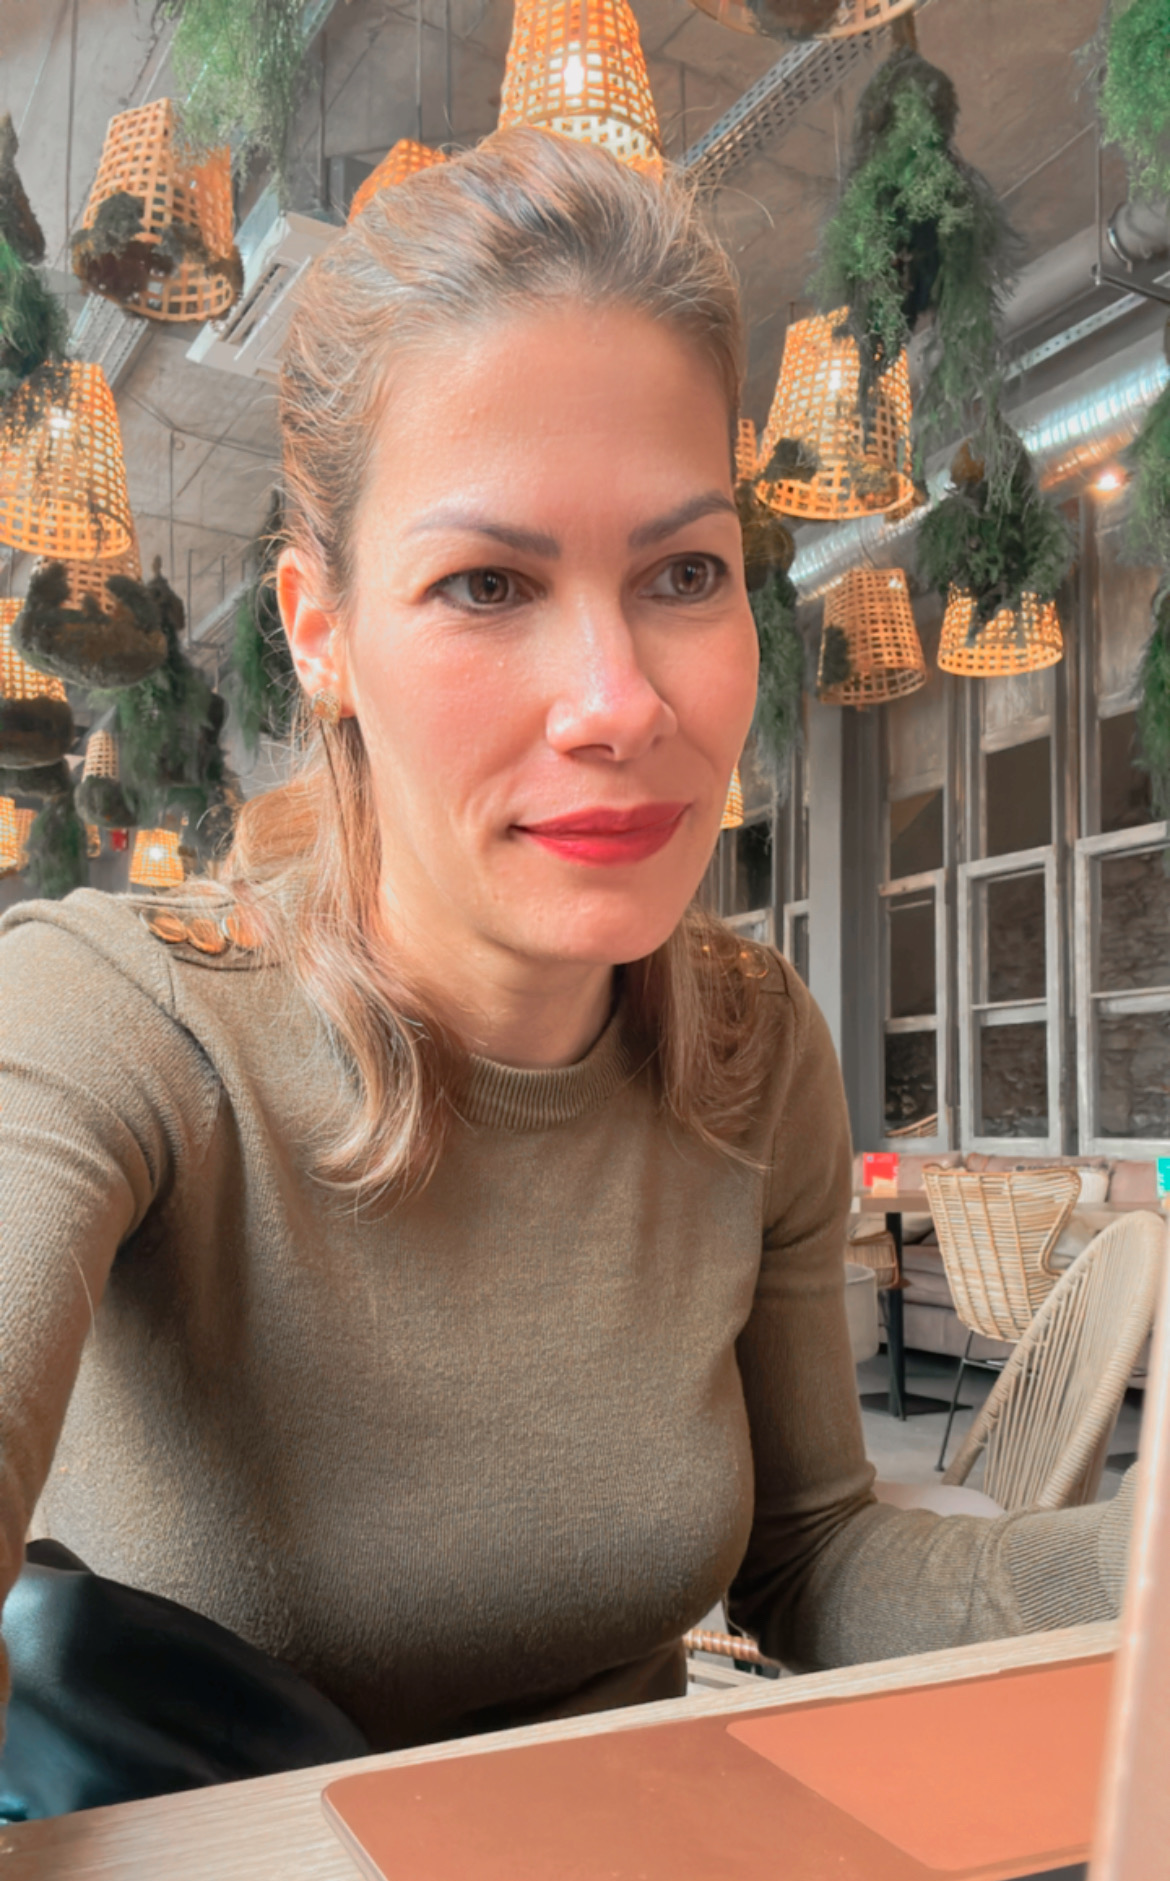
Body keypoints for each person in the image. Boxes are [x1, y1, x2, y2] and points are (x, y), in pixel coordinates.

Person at [0, 128, 1133, 1774]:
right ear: (319, 633)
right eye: (485, 584)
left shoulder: (751, 1045)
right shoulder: (114, 1020)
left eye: (683, 573)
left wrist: (1138, 1564)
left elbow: (816, 1559)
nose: (618, 704)